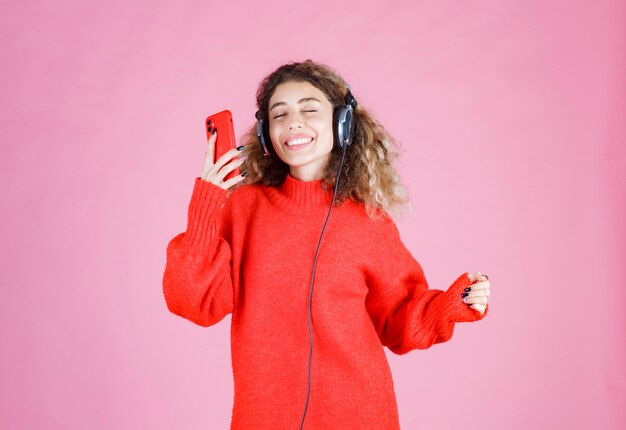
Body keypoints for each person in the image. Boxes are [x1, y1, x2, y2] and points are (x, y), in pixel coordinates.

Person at [162, 59, 491, 430]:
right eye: (279, 114)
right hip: (264, 418)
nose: (293, 123)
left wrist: (450, 304)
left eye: (310, 109)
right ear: (266, 132)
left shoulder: (368, 221)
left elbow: (398, 320)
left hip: (361, 415)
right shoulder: (242, 209)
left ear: (342, 124)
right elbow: (192, 302)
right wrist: (209, 201)